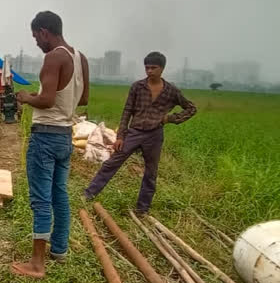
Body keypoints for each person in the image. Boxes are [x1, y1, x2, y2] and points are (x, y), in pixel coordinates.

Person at [11, 11, 89, 279]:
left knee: (41, 199)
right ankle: (59, 249)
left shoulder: (53, 56)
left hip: (45, 135)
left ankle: (37, 264)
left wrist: (25, 97)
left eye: (35, 37)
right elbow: (84, 98)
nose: (35, 42)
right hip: (65, 135)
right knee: (59, 195)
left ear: (44, 32)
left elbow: (45, 100)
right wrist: (51, 100)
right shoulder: (80, 58)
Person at [84, 51, 197, 216]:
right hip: (134, 132)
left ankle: (142, 209)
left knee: (151, 172)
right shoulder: (137, 86)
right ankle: (88, 194)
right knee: (112, 163)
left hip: (155, 135)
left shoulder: (171, 91)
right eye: (147, 67)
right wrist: (120, 136)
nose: (149, 71)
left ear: (162, 69)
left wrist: (170, 118)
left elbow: (191, 108)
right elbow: (127, 111)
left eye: (153, 68)